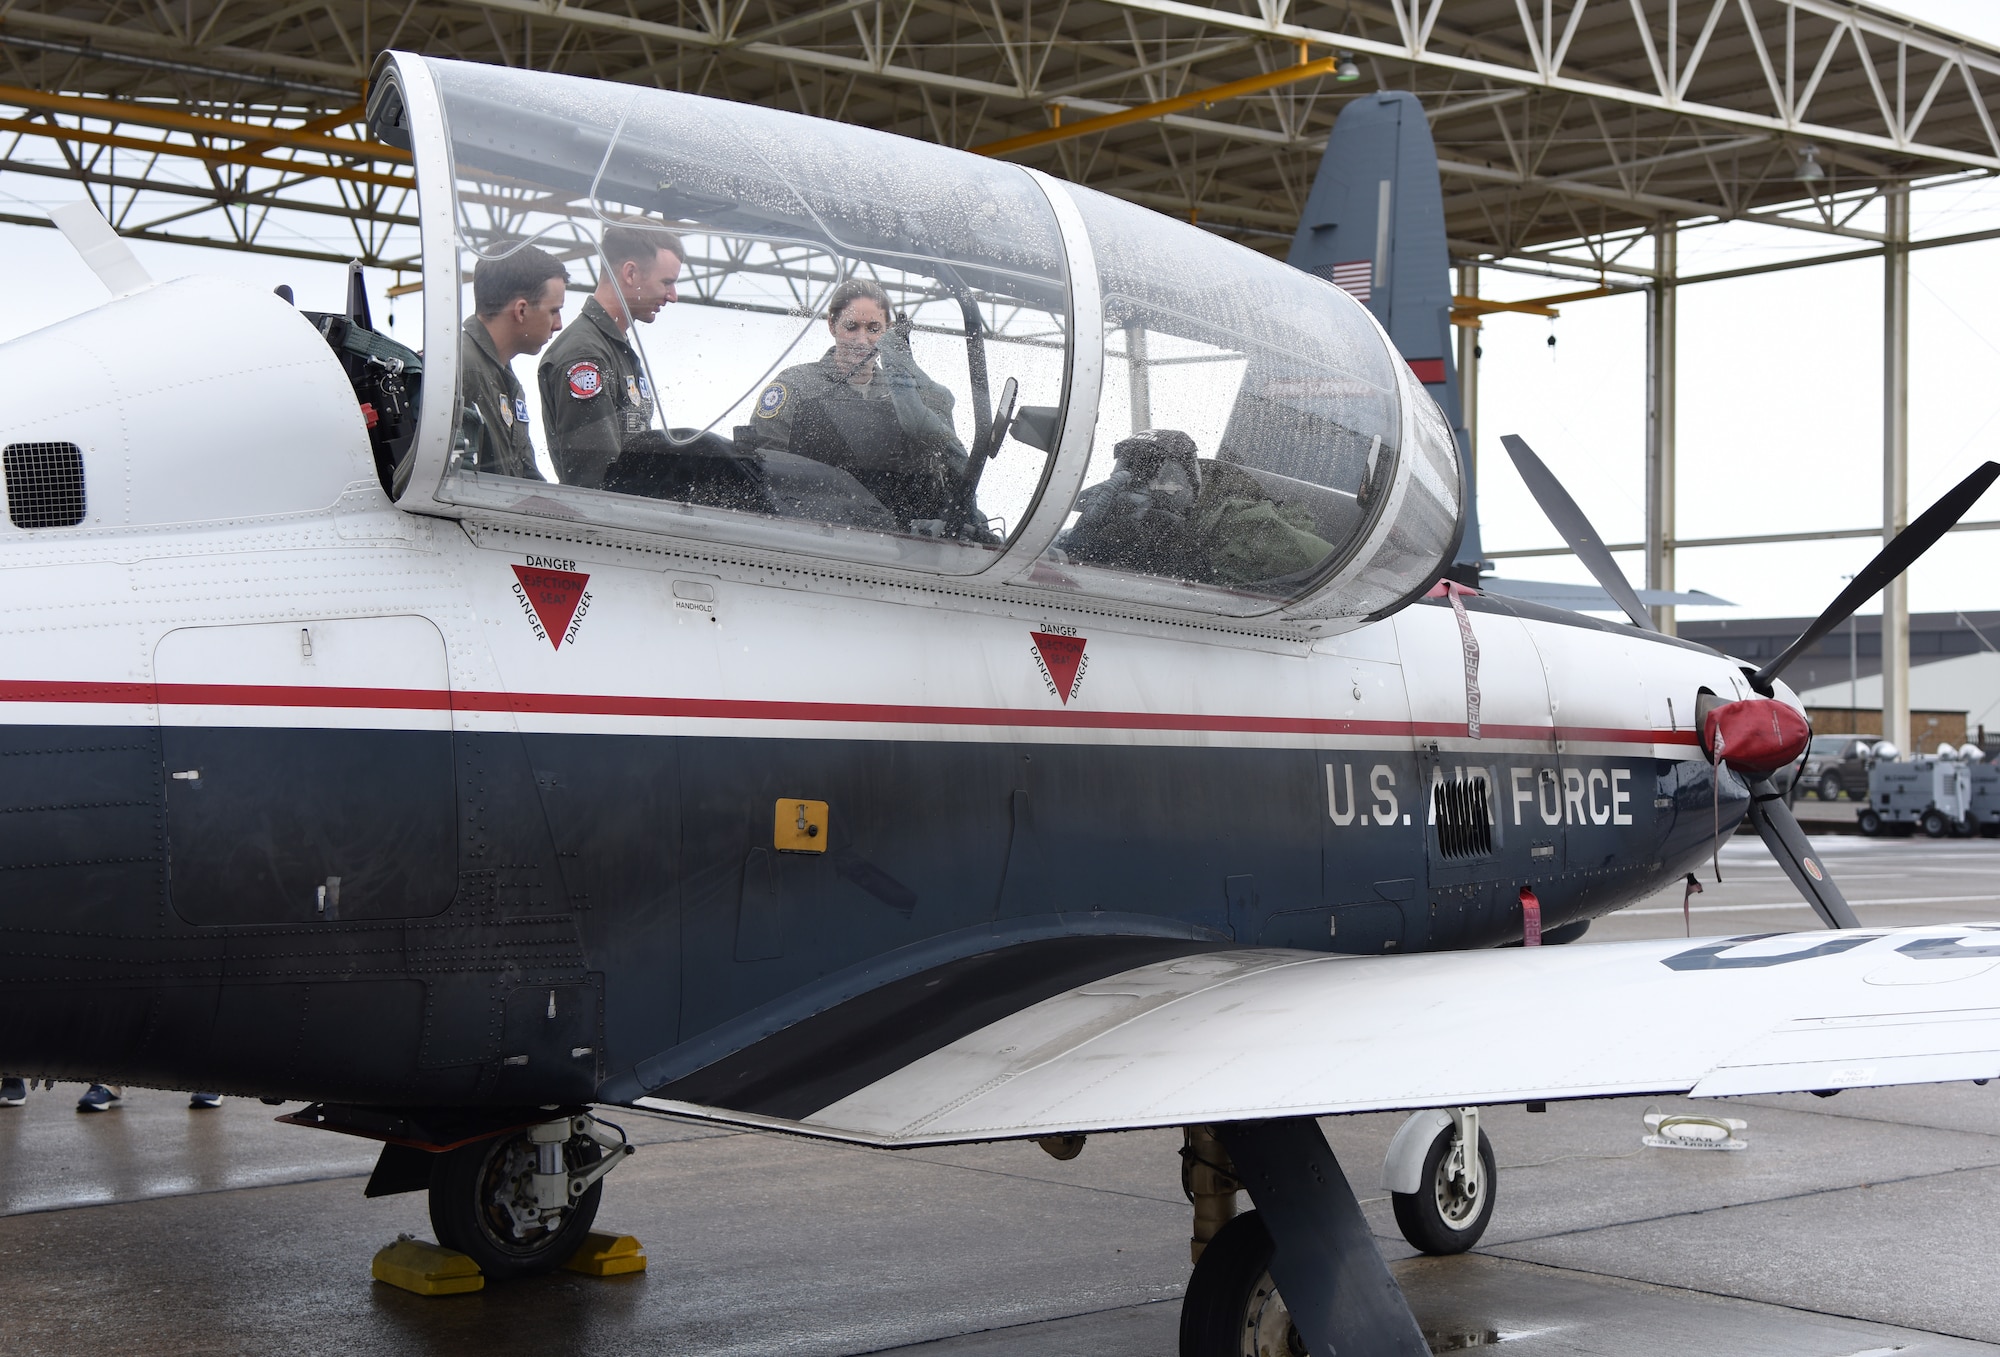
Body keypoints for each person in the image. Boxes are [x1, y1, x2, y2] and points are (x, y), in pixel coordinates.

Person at [740, 278, 975, 533]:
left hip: (899, 543)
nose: (862, 340)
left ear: (889, 330)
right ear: (832, 324)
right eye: (852, 327)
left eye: (874, 329)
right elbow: (761, 467)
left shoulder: (912, 399)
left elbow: (946, 471)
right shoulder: (796, 387)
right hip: (806, 533)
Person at [539, 224, 683, 489]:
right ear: (630, 273)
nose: (673, 296)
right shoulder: (585, 356)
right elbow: (597, 481)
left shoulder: (613, 348)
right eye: (667, 282)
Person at [460, 242, 569, 480]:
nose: (559, 324)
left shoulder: (502, 377)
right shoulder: (462, 372)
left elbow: (524, 478)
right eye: (553, 311)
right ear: (521, 311)